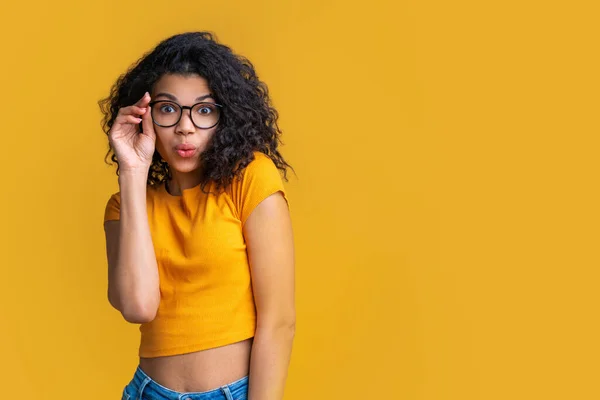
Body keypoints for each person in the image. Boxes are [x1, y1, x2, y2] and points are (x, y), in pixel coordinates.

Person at [99, 31, 295, 400]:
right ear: (146, 116)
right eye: (168, 109)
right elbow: (139, 306)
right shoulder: (124, 205)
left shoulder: (250, 178)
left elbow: (279, 322)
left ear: (225, 118)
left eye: (204, 110)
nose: (185, 127)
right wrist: (132, 170)